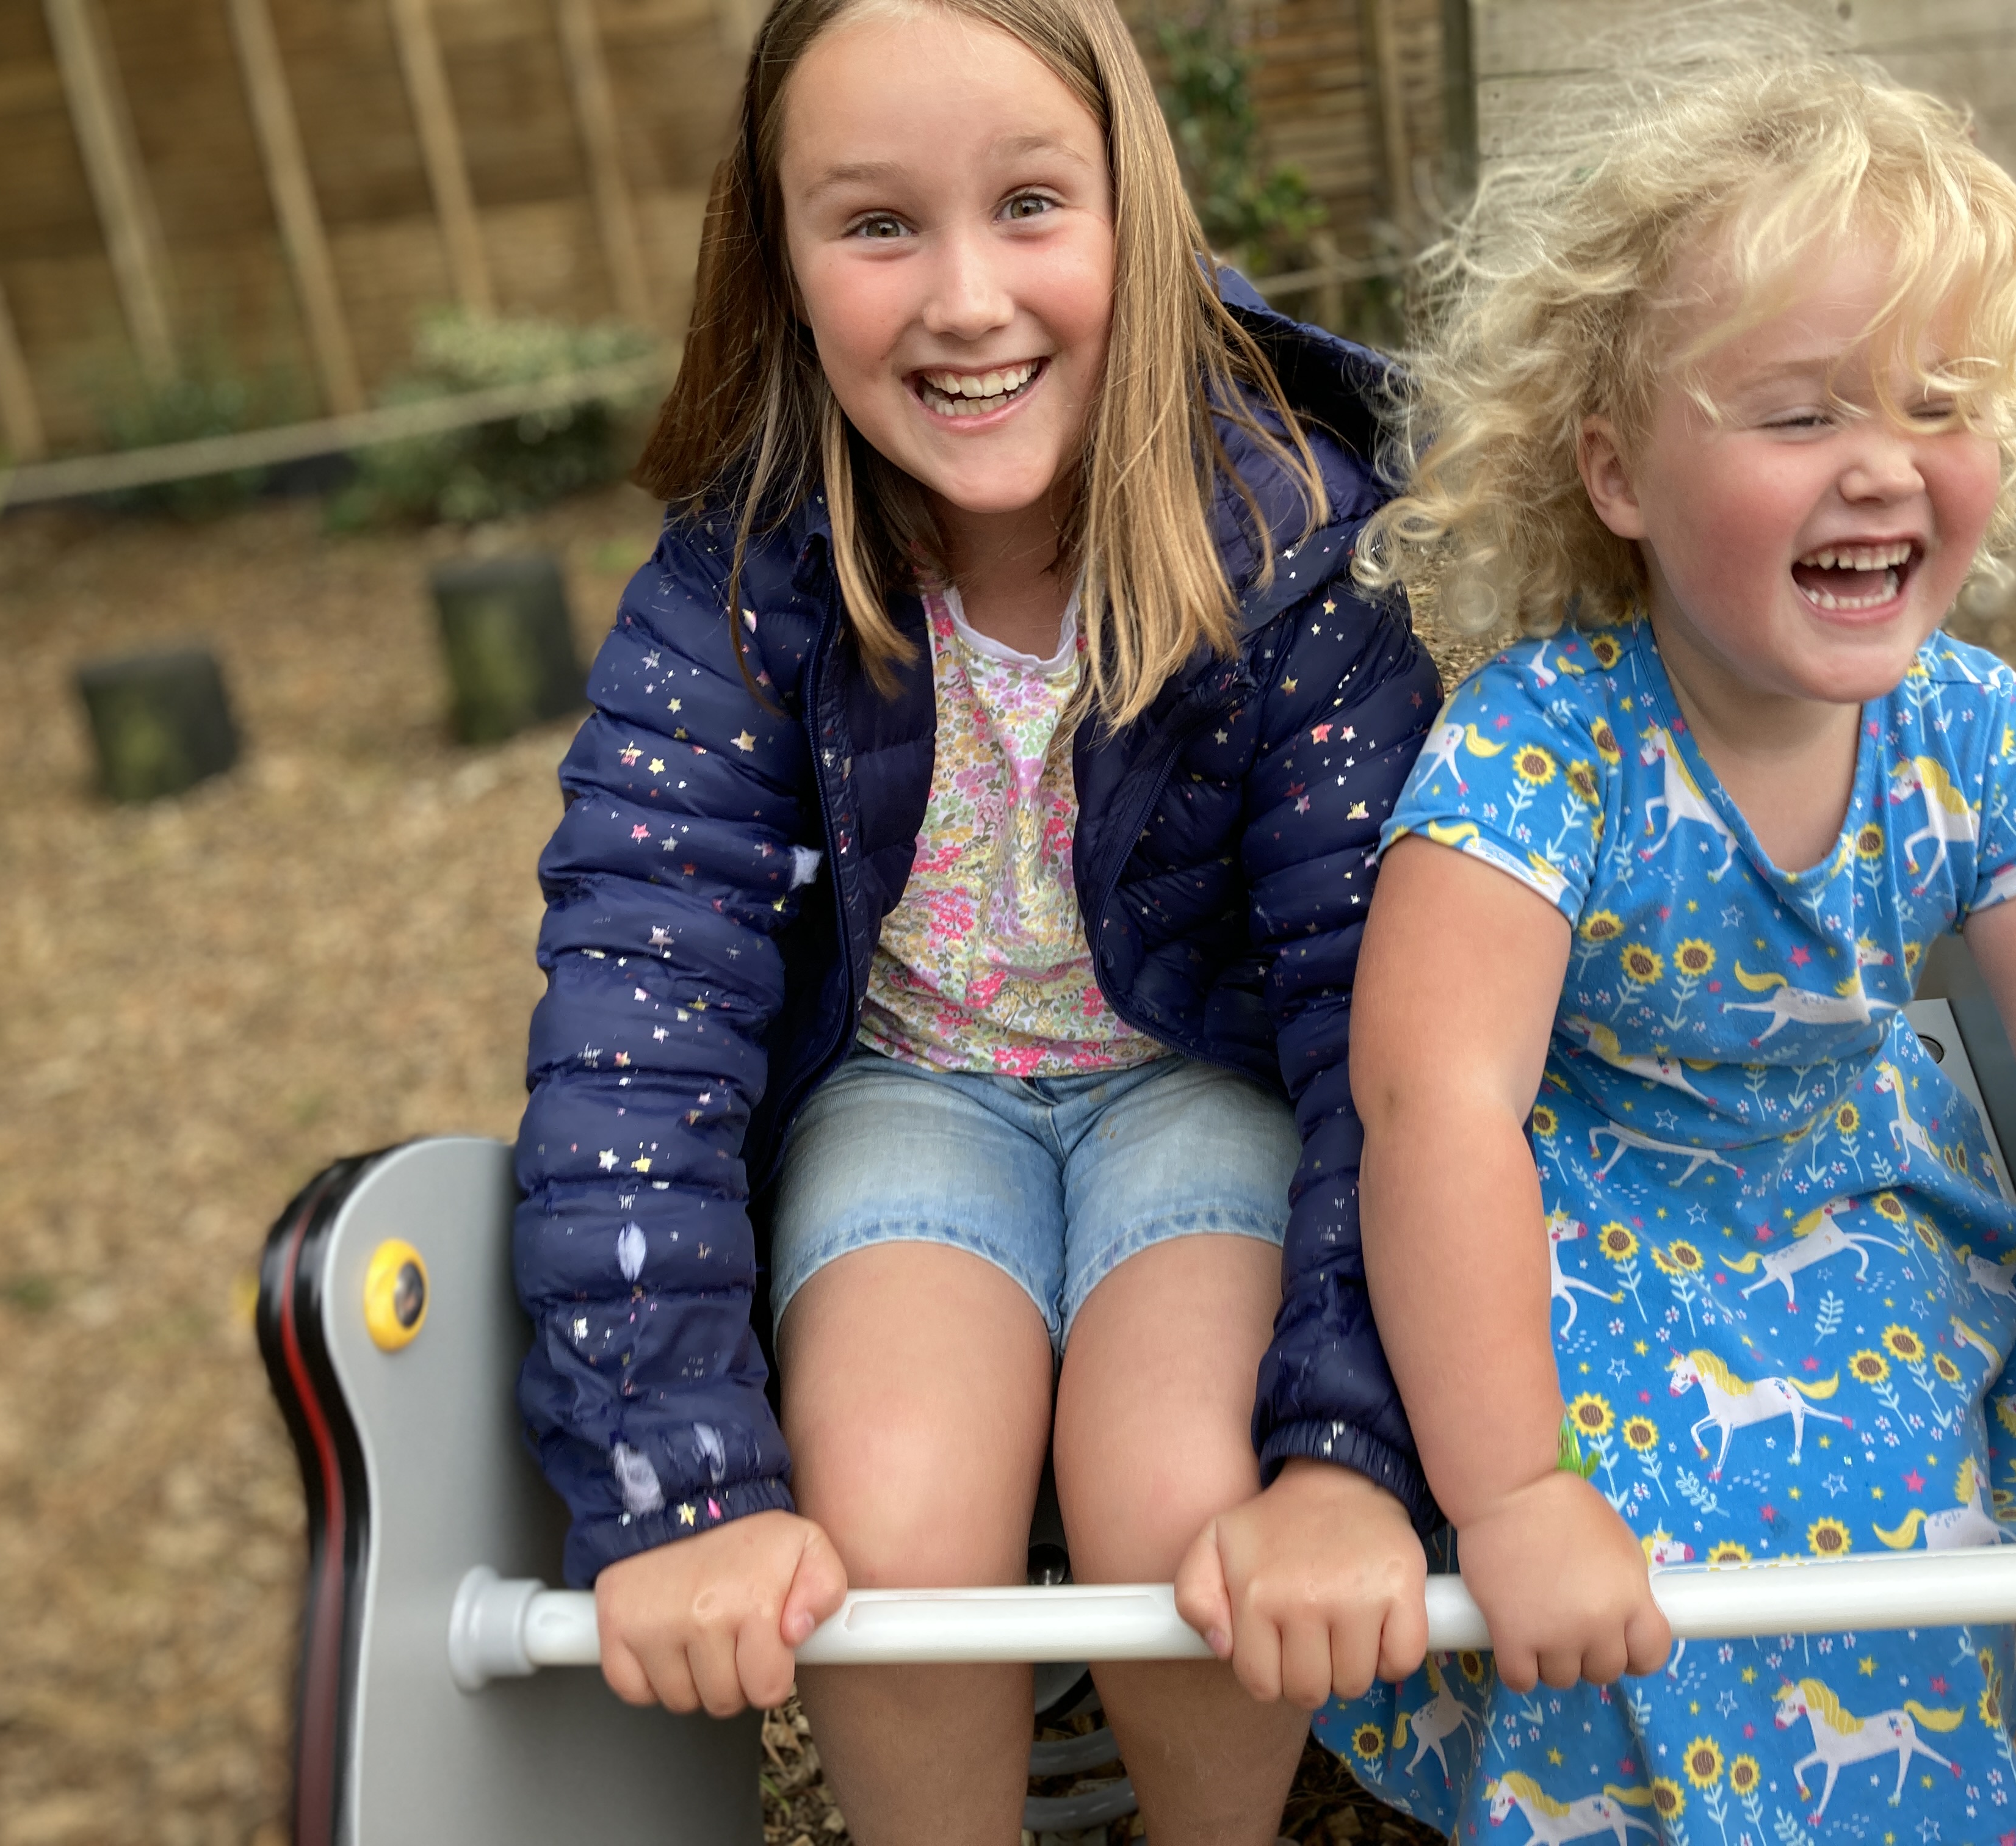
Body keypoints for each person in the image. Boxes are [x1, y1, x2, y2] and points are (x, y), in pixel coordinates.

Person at [1176, 12, 2016, 1839]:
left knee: (1884, 1504)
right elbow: (1440, 1109)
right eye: (1802, 412)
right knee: (1616, 1526)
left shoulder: (1974, 741)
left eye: (1938, 406)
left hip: (1850, 1191)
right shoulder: (1539, 747)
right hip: (1572, 1205)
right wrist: (1509, 1492)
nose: (1882, 464)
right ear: (1620, 476)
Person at [508, 1, 1438, 1840]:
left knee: (1184, 1495)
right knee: (898, 1508)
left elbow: (1380, 1023)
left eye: (1029, 205)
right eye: (876, 225)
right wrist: (679, 1483)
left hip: (1208, 1079)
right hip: (907, 1087)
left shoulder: (1297, 551)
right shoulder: (740, 586)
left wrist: (1347, 1447)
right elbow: (640, 1013)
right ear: (779, 262)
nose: (962, 299)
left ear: (1138, 218)